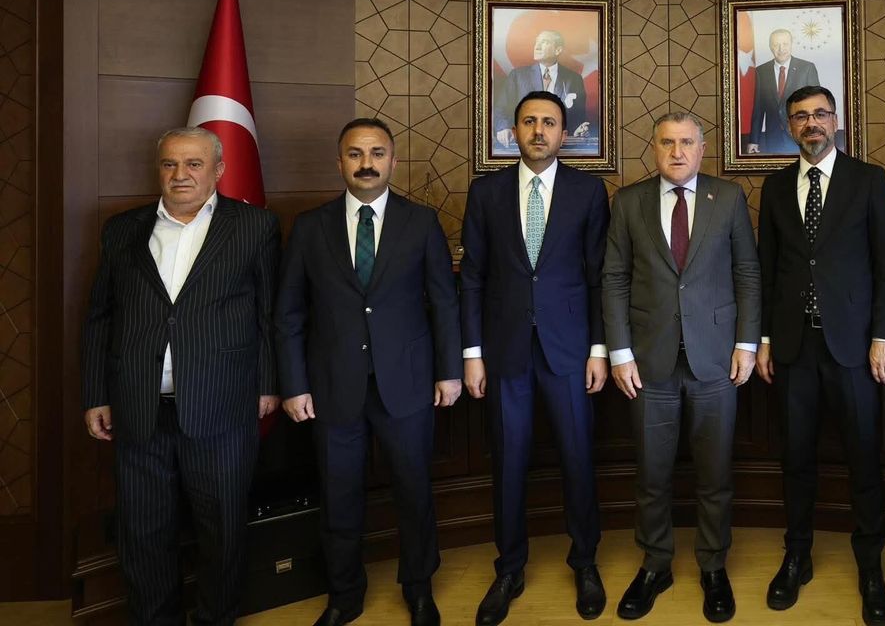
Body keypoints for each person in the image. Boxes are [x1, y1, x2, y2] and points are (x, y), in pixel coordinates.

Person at [81, 126, 280, 626]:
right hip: (138, 408)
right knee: (143, 533)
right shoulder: (122, 230)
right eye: (170, 164)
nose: (180, 174)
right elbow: (101, 317)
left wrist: (268, 384)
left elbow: (268, 315)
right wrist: (96, 394)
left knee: (222, 531)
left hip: (222, 406)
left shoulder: (255, 226)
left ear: (219, 170)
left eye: (194, 164)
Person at [275, 117, 463, 626]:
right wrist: (293, 384)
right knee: (338, 495)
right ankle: (344, 595)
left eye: (377, 153)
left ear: (393, 161)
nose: (366, 163)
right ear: (339, 162)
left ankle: (418, 589)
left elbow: (444, 303)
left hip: (408, 383)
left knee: (414, 491)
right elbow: (289, 313)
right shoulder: (310, 227)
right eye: (355, 154)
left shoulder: (420, 222)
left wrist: (449, 371)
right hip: (332, 386)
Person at [602, 112, 761, 623]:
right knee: (652, 473)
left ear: (702, 148)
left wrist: (746, 344)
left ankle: (713, 566)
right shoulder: (628, 202)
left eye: (687, 142)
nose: (677, 152)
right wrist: (620, 352)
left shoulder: (728, 197)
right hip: (649, 362)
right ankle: (655, 564)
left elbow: (747, 272)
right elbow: (614, 278)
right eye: (667, 143)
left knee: (715, 474)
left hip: (716, 358)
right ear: (653, 148)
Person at [460, 91, 610, 624]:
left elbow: (598, 277)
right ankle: (509, 568)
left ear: (564, 134)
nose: (539, 131)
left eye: (549, 122)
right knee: (508, 461)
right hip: (504, 352)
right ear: (514, 130)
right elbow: (473, 277)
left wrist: (598, 348)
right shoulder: (486, 192)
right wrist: (472, 353)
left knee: (578, 458)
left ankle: (585, 561)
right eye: (529, 122)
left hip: (569, 350)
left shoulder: (589, 191)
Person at [755, 85, 885, 624]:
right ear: (789, 126)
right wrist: (765, 339)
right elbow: (767, 270)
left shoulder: (869, 180)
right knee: (796, 459)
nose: (811, 123)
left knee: (864, 458)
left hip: (855, 348)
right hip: (794, 347)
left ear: (836, 121)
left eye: (820, 114)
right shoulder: (774, 187)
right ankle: (797, 556)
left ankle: (870, 567)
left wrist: (884, 335)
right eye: (800, 116)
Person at [494, 30, 591, 150]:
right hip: (525, 146)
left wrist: (578, 130)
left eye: (544, 42)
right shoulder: (517, 76)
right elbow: (501, 109)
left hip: (560, 148)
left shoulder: (574, 79)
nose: (537, 46)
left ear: (558, 50)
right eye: (536, 42)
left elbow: (578, 117)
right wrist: (503, 128)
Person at [746, 29, 820, 154]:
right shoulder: (761, 71)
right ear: (770, 47)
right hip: (773, 138)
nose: (781, 49)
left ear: (791, 44)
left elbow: (817, 105)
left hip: (802, 136)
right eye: (776, 45)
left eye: (785, 44)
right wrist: (754, 140)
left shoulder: (807, 68)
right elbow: (758, 109)